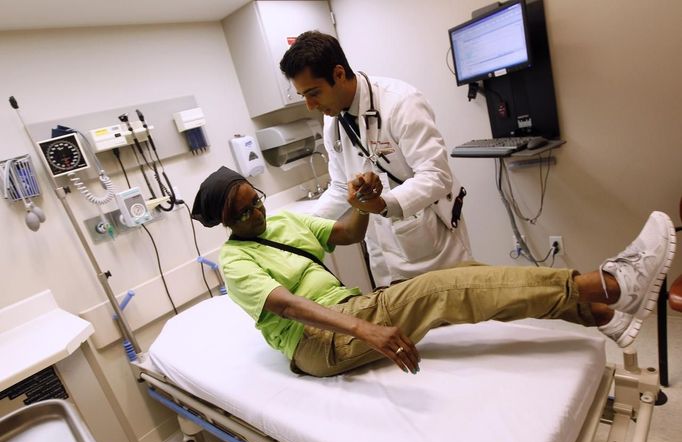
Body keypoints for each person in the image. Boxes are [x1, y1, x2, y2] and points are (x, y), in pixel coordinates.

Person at [192, 167, 676, 378]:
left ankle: (597, 314)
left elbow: (346, 234)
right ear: (228, 222)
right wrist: (366, 327)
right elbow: (288, 305)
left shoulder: (280, 220)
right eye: (246, 211)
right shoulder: (235, 261)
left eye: (256, 198)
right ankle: (610, 284)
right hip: (318, 342)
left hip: (348, 310)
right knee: (444, 288)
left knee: (460, 278)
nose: (258, 210)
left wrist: (362, 204)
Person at [279, 31, 471, 287]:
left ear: (338, 74)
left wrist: (382, 204)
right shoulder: (331, 119)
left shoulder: (401, 102)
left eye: (314, 92)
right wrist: (305, 226)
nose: (310, 105)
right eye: (304, 96)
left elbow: (436, 175)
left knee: (456, 319)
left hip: (431, 242)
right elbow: (339, 187)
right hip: (382, 251)